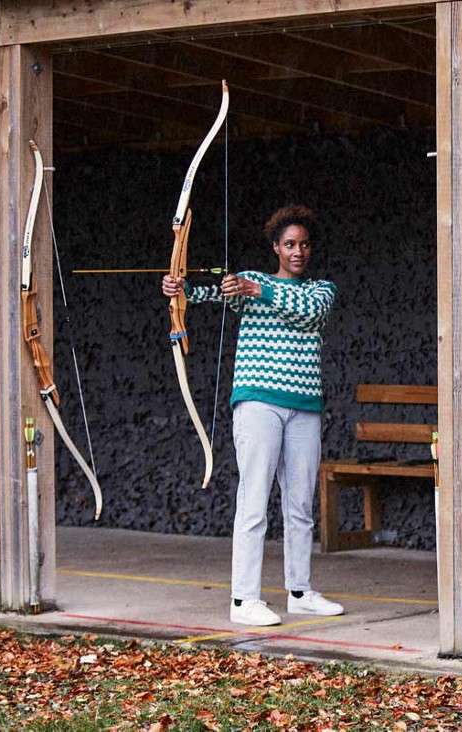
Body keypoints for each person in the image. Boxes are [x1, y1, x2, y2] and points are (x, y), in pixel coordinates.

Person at [162, 204, 343, 626]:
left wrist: (254, 289)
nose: (298, 252)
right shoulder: (251, 282)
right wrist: (178, 289)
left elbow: (308, 311)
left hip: (304, 407)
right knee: (254, 499)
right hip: (258, 402)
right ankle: (244, 599)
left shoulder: (320, 291)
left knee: (300, 503)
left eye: (304, 245)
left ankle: (299, 591)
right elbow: (206, 295)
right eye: (289, 244)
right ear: (275, 248)